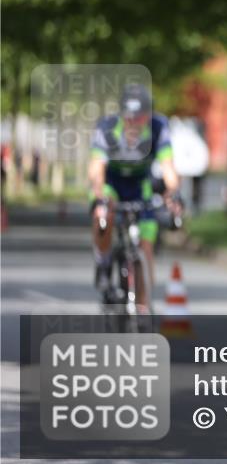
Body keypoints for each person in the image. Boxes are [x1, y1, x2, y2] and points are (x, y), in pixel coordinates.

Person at [88, 84, 181, 310]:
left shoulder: (159, 127)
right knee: (103, 215)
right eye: (129, 118)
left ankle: (142, 307)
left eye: (140, 118)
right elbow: (96, 170)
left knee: (146, 246)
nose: (134, 124)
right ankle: (103, 263)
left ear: (149, 115)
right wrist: (100, 196)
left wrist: (173, 195)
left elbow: (169, 169)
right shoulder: (107, 128)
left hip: (141, 184)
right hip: (111, 183)